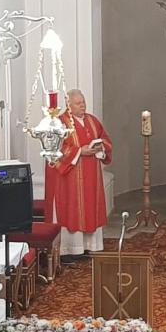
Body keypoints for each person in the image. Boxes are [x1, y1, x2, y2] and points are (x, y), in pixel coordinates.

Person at [46, 89, 112, 262]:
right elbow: (55, 149)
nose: (83, 105)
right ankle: (70, 250)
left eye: (83, 102)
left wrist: (100, 147)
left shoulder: (92, 120)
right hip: (71, 178)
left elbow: (105, 139)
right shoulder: (60, 123)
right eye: (78, 103)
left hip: (92, 176)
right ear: (69, 105)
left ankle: (89, 246)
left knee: (90, 207)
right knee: (73, 210)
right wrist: (79, 151)